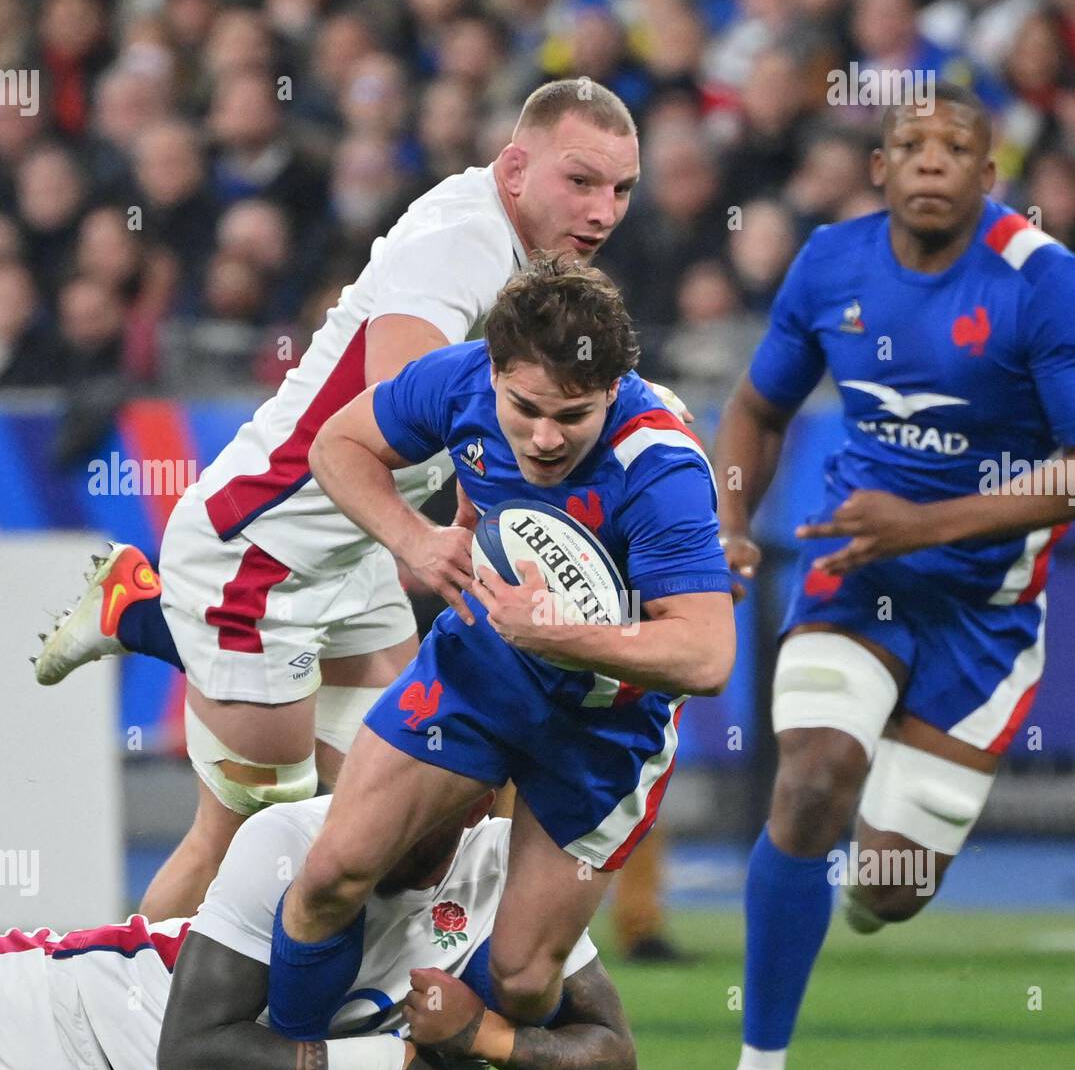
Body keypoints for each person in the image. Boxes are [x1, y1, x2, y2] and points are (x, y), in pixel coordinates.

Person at [34, 80, 643, 923]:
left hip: (347, 556)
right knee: (248, 836)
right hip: (259, 553)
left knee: (421, 807)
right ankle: (135, 1015)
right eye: (581, 182)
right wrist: (428, 539)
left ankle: (144, 613)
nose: (604, 210)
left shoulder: (516, 254)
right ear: (514, 168)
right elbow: (401, 391)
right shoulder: (463, 242)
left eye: (621, 189)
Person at [685, 85, 1075, 1070]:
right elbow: (756, 405)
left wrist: (930, 526)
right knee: (808, 782)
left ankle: (857, 887)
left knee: (888, 887)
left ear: (989, 177)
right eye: (907, 145)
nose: (930, 161)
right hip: (858, 572)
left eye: (956, 148)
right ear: (877, 170)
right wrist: (729, 523)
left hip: (984, 613)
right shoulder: (829, 265)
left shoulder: (1044, 282)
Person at [265, 255, 735, 1049]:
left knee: (521, 977)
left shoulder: (660, 469)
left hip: (605, 726)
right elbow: (337, 445)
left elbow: (707, 655)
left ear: (614, 390)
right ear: (494, 370)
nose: (546, 437)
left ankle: (488, 1050)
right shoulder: (456, 382)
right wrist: (412, 538)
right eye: (525, 408)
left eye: (574, 414)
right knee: (333, 874)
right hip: (480, 671)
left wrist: (554, 633)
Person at [0, 794, 637, 1070]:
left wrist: (488, 1039)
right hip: (52, 1009)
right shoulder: (294, 837)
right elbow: (188, 1064)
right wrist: (390, 1060)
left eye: (430, 794)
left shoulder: (508, 873)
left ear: (477, 805)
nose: (401, 811)